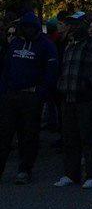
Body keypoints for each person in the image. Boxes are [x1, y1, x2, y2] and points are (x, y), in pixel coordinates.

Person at [0, 12, 60, 184]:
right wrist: (4, 90)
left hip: (31, 95)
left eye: (30, 27)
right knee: (4, 133)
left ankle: (25, 169)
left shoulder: (46, 45)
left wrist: (41, 92)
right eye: (25, 27)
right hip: (11, 95)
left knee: (28, 134)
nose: (27, 30)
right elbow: (6, 68)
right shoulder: (16, 43)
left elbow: (52, 70)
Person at [53, 13, 92, 189]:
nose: (69, 28)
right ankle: (71, 174)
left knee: (88, 138)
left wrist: (89, 82)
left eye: (73, 25)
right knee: (69, 138)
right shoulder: (69, 46)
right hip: (68, 98)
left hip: (86, 99)